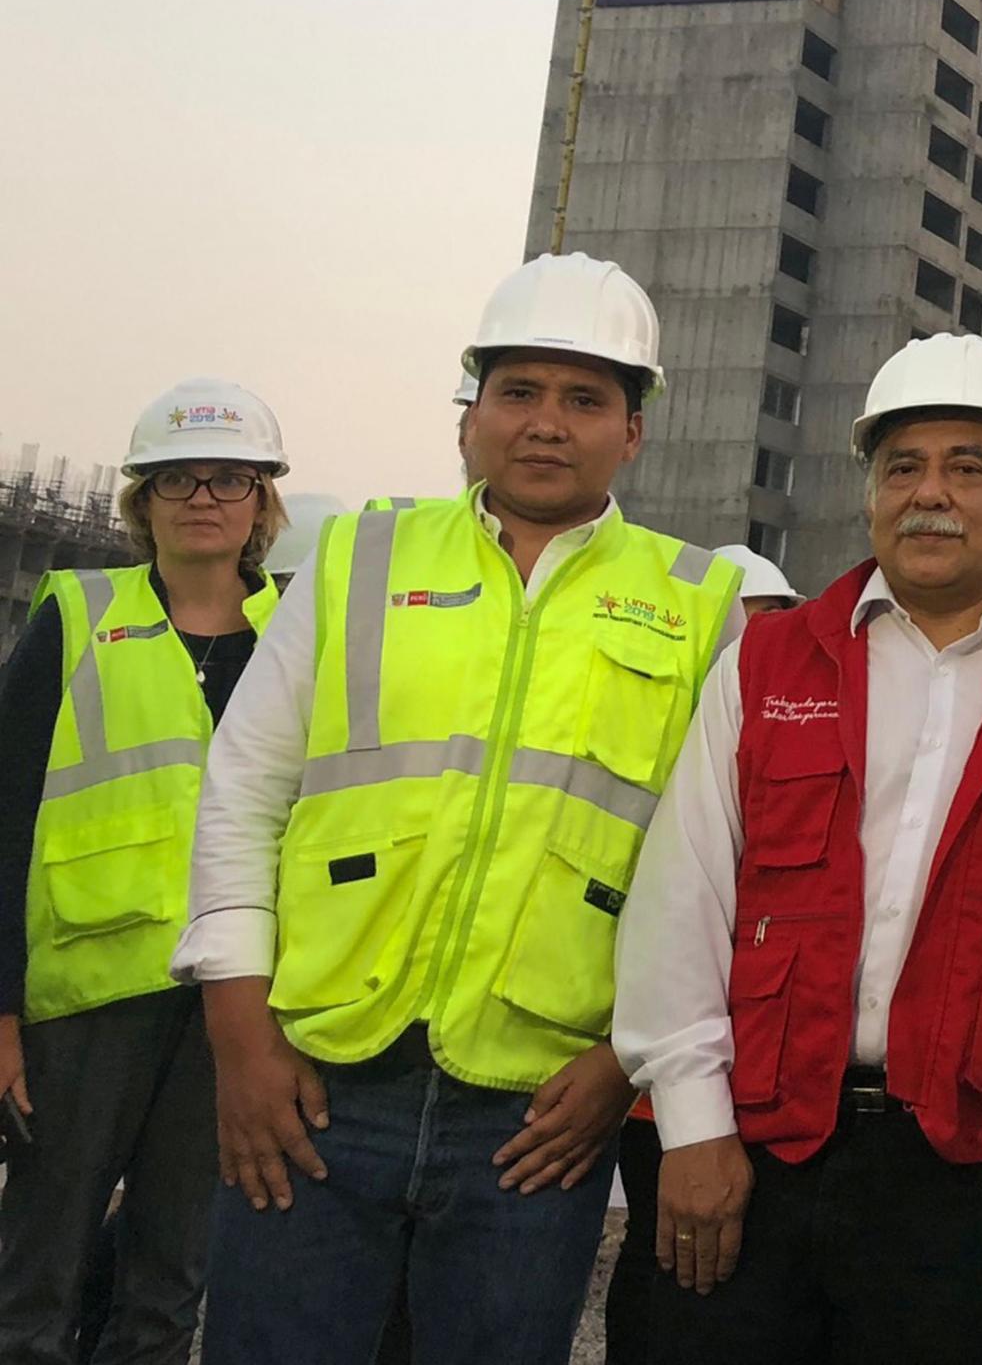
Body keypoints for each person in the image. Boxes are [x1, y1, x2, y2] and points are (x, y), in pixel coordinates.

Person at [175, 254, 744, 1365]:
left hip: (540, 1112)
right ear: (470, 413)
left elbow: (714, 869)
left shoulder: (698, 604)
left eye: (585, 399)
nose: (545, 423)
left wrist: (624, 1064)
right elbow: (243, 795)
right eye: (517, 391)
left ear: (633, 430)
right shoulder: (357, 558)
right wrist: (239, 1037)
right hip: (318, 1074)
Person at [613, 333, 982, 1364]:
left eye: (966, 466)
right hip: (749, 1139)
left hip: (958, 1167)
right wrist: (691, 1119)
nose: (927, 492)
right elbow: (684, 892)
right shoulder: (770, 658)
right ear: (870, 496)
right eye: (902, 466)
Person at [0, 383, 291, 1365]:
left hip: (236, 1006)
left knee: (169, 1283)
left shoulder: (304, 639)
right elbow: (3, 819)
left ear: (261, 501)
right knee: (34, 1277)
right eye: (176, 477)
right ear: (143, 498)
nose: (201, 495)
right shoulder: (78, 617)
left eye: (228, 478)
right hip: (83, 1006)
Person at [603, 545, 806, 1365]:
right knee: (668, 1283)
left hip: (759, 1080)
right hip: (664, 1088)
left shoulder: (789, 721)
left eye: (772, 622)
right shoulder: (675, 742)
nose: (756, 643)